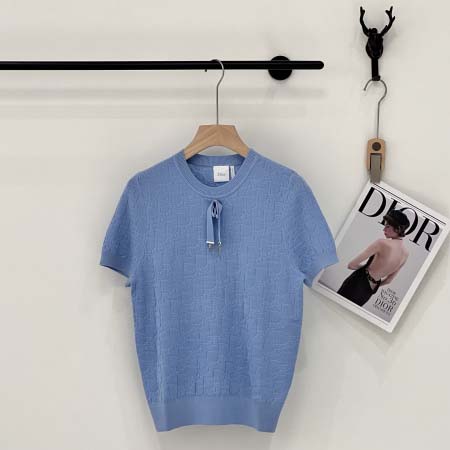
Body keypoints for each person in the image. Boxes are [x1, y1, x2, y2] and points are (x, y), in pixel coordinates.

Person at [337, 209, 410, 307]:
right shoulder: (405, 254)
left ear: (397, 229)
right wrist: (374, 282)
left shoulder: (382, 243)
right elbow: (388, 281)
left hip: (356, 283)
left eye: (387, 226)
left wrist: (366, 269)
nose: (384, 229)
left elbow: (351, 265)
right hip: (369, 292)